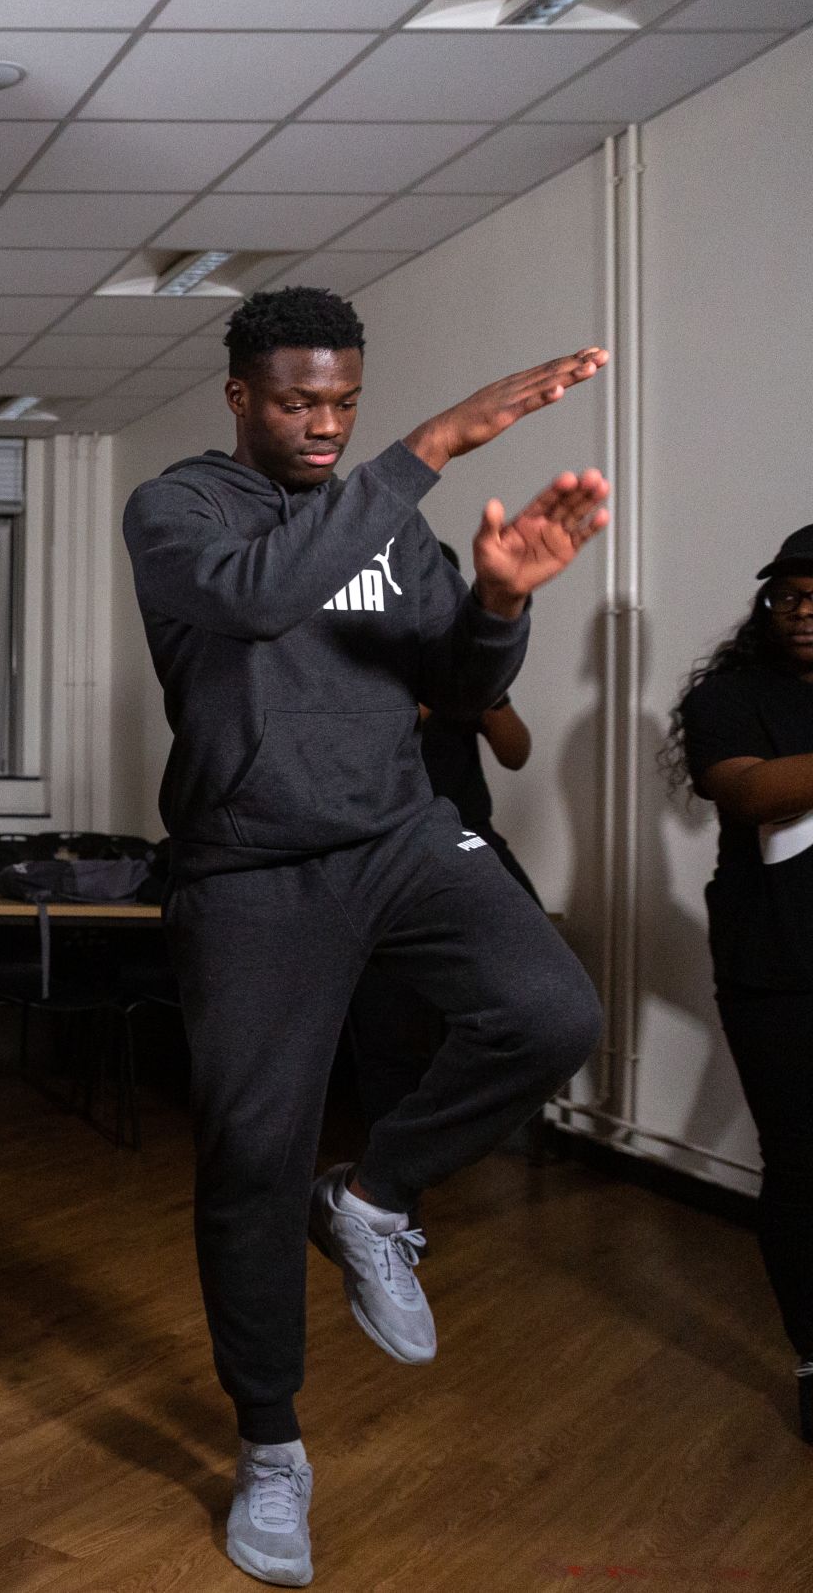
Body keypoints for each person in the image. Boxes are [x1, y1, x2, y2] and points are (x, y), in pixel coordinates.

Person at [123, 286, 611, 1587]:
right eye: (297, 400)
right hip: (249, 869)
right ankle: (272, 1446)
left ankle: (379, 1197)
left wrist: (501, 603)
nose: (327, 423)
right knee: (249, 1159)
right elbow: (264, 597)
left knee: (555, 1013)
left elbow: (458, 688)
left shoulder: (395, 524)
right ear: (240, 394)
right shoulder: (179, 510)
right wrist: (432, 445)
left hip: (397, 835)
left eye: (345, 400)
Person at [672, 521, 813, 1445]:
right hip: (776, 966)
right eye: (788, 595)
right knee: (802, 1165)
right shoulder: (728, 696)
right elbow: (751, 793)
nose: (803, 611)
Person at [345, 539, 541, 1177]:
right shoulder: (365, 663)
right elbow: (368, 743)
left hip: (469, 836)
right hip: (382, 852)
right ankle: (386, 1191)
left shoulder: (469, 661)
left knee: (539, 983)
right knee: (386, 1024)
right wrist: (436, 692)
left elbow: (517, 752)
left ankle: (479, 1132)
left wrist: (480, 694)